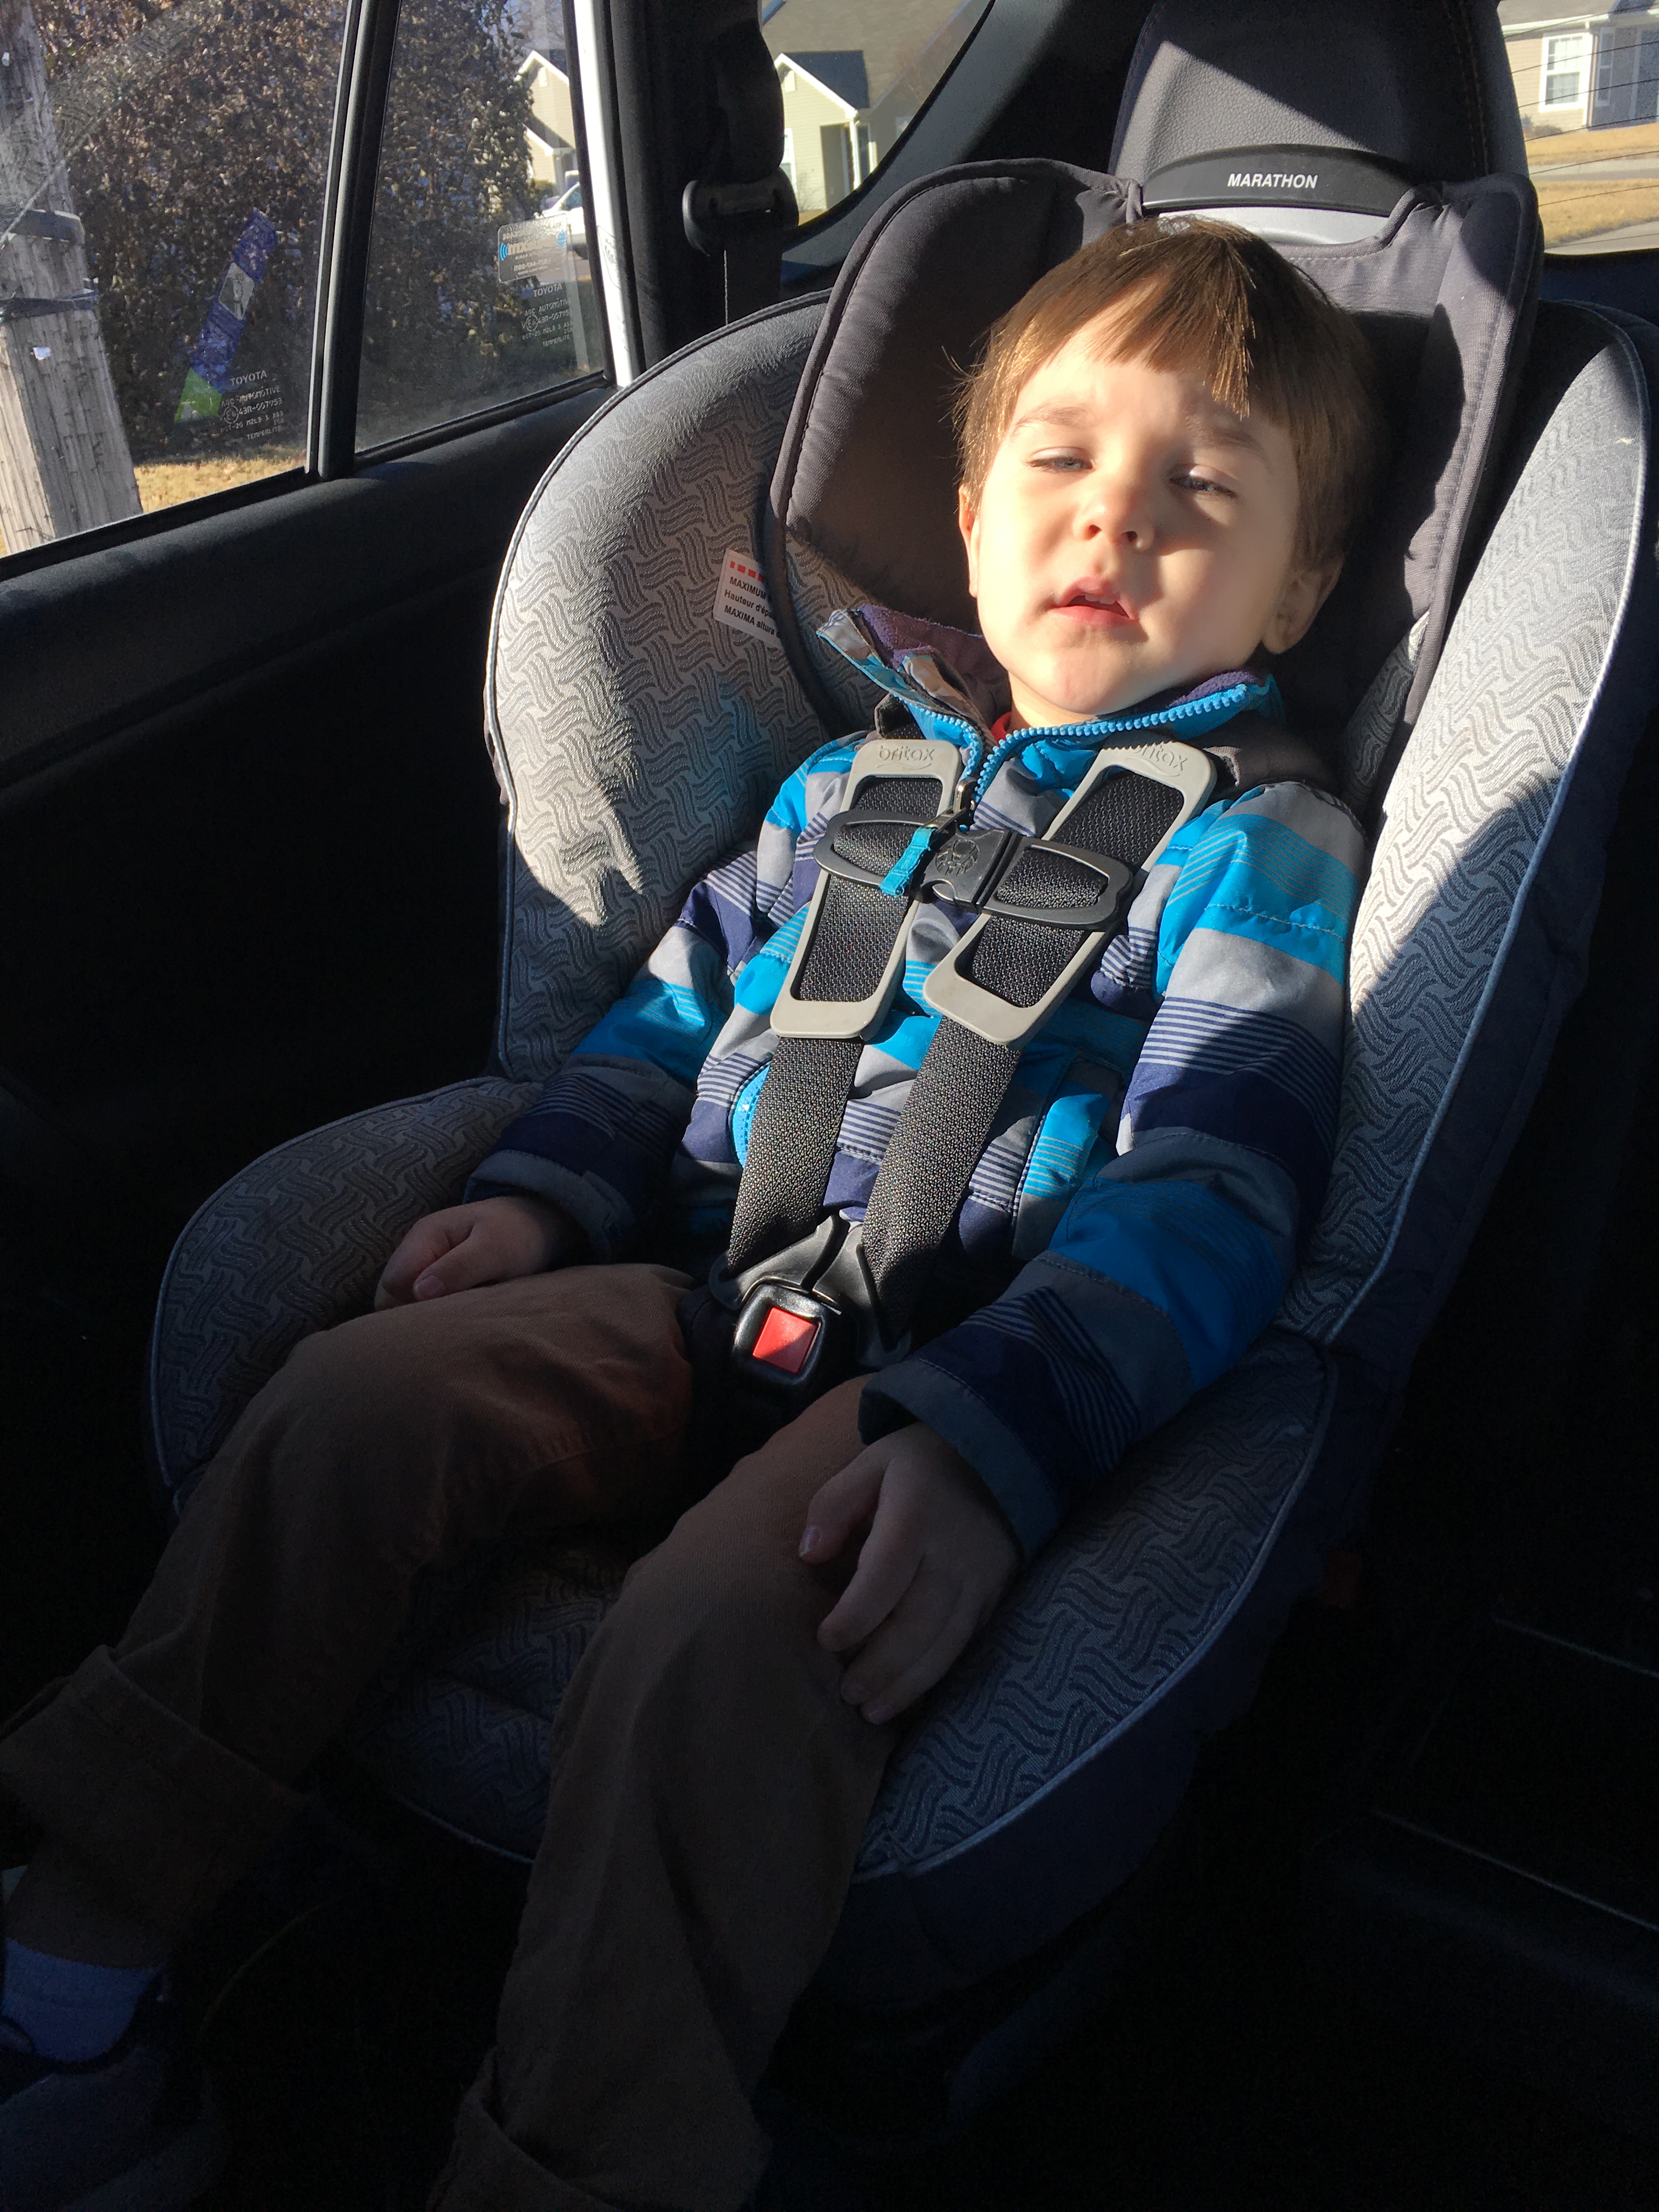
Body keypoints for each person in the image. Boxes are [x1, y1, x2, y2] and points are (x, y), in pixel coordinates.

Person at [0, 218, 1383, 2212]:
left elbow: (1216, 1190)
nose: (1118, 519)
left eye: (1206, 491)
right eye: (1064, 460)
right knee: (350, 1407)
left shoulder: (1258, 842)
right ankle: (76, 1984)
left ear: (1303, 585)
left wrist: (990, 1443)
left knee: (722, 1635)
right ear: (972, 514)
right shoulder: (846, 785)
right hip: (698, 1285)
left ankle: (575, 2169)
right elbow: (659, 1029)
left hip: (946, 1364)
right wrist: (536, 1203)